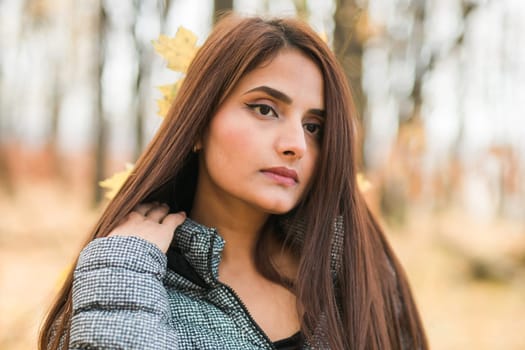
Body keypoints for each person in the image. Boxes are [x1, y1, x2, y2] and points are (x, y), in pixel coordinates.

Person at [40, 14, 428, 350]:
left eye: (314, 127)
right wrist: (121, 284)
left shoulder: (354, 273)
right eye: (265, 109)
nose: (296, 145)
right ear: (197, 124)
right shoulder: (128, 279)